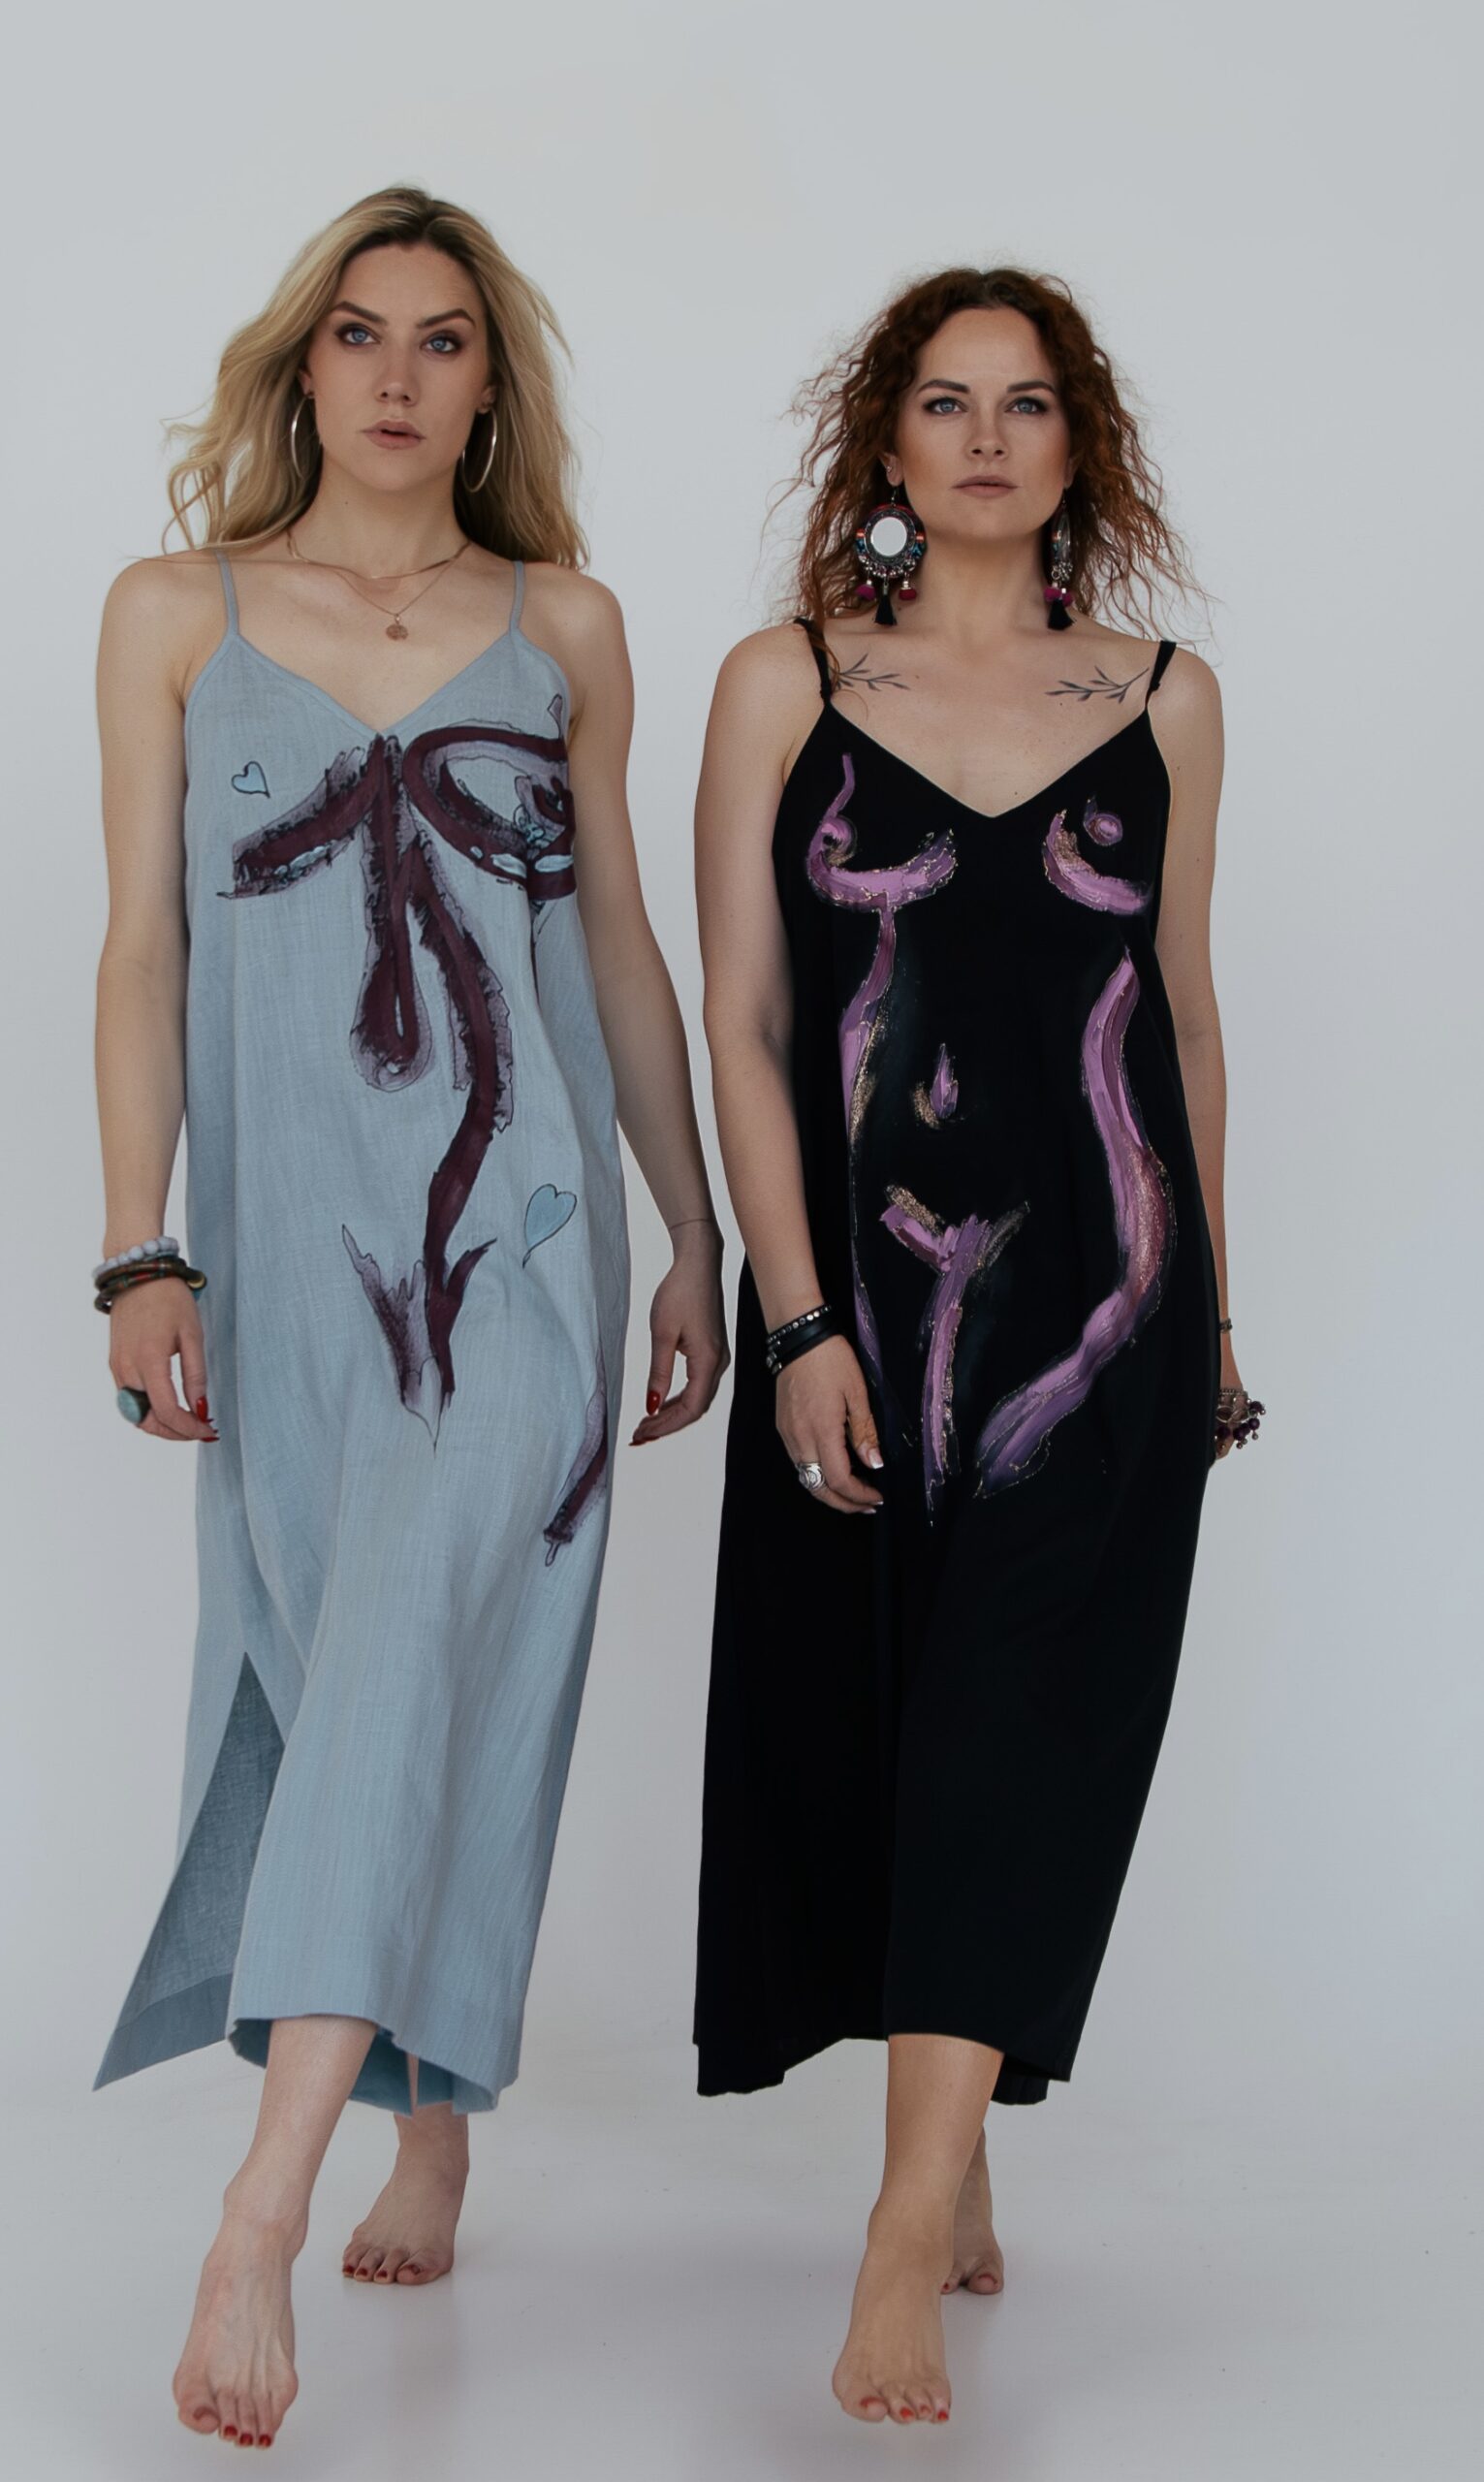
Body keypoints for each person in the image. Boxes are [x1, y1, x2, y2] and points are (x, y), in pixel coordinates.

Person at [90, 184, 726, 2451]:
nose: (393, 372)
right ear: (302, 367)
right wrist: (137, 1247)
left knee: (410, 1649)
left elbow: (619, 948)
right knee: (351, 1659)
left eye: (441, 338)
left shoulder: (567, 624)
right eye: (356, 332)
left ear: (487, 384)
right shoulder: (173, 611)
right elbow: (141, 947)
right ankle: (427, 2105)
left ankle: (257, 2206)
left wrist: (691, 1229)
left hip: (519, 1247)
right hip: (283, 1263)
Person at [690, 267, 1261, 2430]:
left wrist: (1214, 1317)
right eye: (946, 402)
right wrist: (793, 1314)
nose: (988, 439)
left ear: (1077, 445)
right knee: (884, 1732)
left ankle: (898, 2226)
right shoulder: (784, 681)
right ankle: (965, 2148)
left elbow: (1184, 1018)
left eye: (1027, 404)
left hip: (1104, 1313)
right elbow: (750, 1018)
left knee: (1020, 1729)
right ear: (886, 443)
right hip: (868, 1303)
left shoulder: (1167, 700)